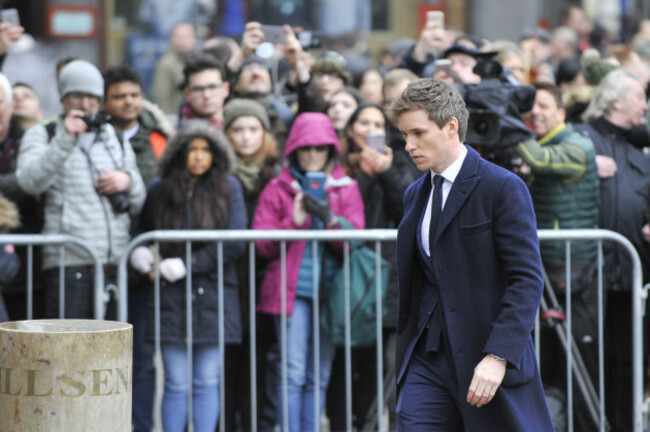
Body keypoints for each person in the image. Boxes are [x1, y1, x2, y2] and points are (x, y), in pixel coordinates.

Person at [388, 78, 553, 430]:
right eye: (405, 135)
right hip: (426, 356)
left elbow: (526, 278)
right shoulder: (416, 194)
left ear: (450, 127)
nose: (409, 145)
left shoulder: (502, 187)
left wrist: (499, 354)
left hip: (485, 353)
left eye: (418, 133)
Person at [129, 120, 247, 432]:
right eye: (191, 149)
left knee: (206, 380)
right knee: (176, 382)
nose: (197, 156)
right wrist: (141, 254)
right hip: (170, 296)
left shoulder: (227, 187)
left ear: (215, 154)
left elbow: (235, 240)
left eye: (205, 149)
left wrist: (188, 264)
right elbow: (143, 231)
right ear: (179, 153)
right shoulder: (161, 188)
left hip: (213, 293)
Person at [252, 112, 364, 432]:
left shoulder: (346, 187)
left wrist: (329, 217)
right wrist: (296, 220)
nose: (313, 154)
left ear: (331, 151)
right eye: (306, 148)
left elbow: (354, 242)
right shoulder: (278, 188)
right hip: (292, 293)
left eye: (320, 147)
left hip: (332, 293)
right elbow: (262, 245)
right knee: (292, 371)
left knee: (320, 374)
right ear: (294, 151)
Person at [15, 60, 146, 319]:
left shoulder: (114, 137)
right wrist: (66, 139)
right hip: (68, 263)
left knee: (111, 356)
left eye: (92, 98)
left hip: (113, 265)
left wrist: (127, 181)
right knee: (70, 353)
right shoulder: (44, 134)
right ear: (63, 98)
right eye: (77, 97)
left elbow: (139, 201)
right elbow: (29, 182)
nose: (85, 105)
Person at [515, 82, 600, 430]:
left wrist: (509, 128)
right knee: (545, 363)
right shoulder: (543, 144)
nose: (536, 112)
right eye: (532, 107)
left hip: (572, 270)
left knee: (576, 363)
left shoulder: (575, 146)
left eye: (545, 106)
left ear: (562, 113)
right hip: (544, 268)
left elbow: (538, 159)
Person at [327, 102, 413, 430]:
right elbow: (348, 217)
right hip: (346, 276)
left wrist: (386, 171)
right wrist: (363, 174)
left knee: (380, 368)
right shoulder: (337, 166)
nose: (371, 129)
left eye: (379, 124)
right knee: (343, 367)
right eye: (364, 122)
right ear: (351, 129)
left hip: (385, 281)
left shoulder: (400, 161)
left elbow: (406, 208)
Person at [577, 68, 650, 432]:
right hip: (590, 274)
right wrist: (587, 164)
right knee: (592, 359)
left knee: (629, 360)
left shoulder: (640, 148)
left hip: (632, 271)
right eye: (639, 97)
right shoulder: (583, 139)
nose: (644, 105)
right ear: (617, 100)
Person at [101, 63, 172, 432]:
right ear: (105, 101)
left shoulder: (160, 138)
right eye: (119, 96)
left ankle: (141, 426)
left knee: (142, 358)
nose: (128, 102)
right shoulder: (91, 137)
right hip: (98, 259)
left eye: (134, 94)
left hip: (143, 263)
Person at [223, 98, 281, 431]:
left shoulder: (274, 175)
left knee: (259, 368)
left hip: (263, 283)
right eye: (237, 129)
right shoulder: (218, 175)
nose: (245, 137)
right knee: (227, 367)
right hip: (229, 282)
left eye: (253, 129)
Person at [152, 22, 197, 116]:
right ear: (172, 39)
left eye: (186, 37)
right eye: (179, 37)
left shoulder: (197, 59)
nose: (183, 41)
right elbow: (162, 98)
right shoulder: (166, 64)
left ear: (194, 38)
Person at [179, 54, 231, 129]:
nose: (206, 95)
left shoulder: (242, 126)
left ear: (226, 89)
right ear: (187, 94)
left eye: (212, 87)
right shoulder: (180, 135)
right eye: (198, 89)